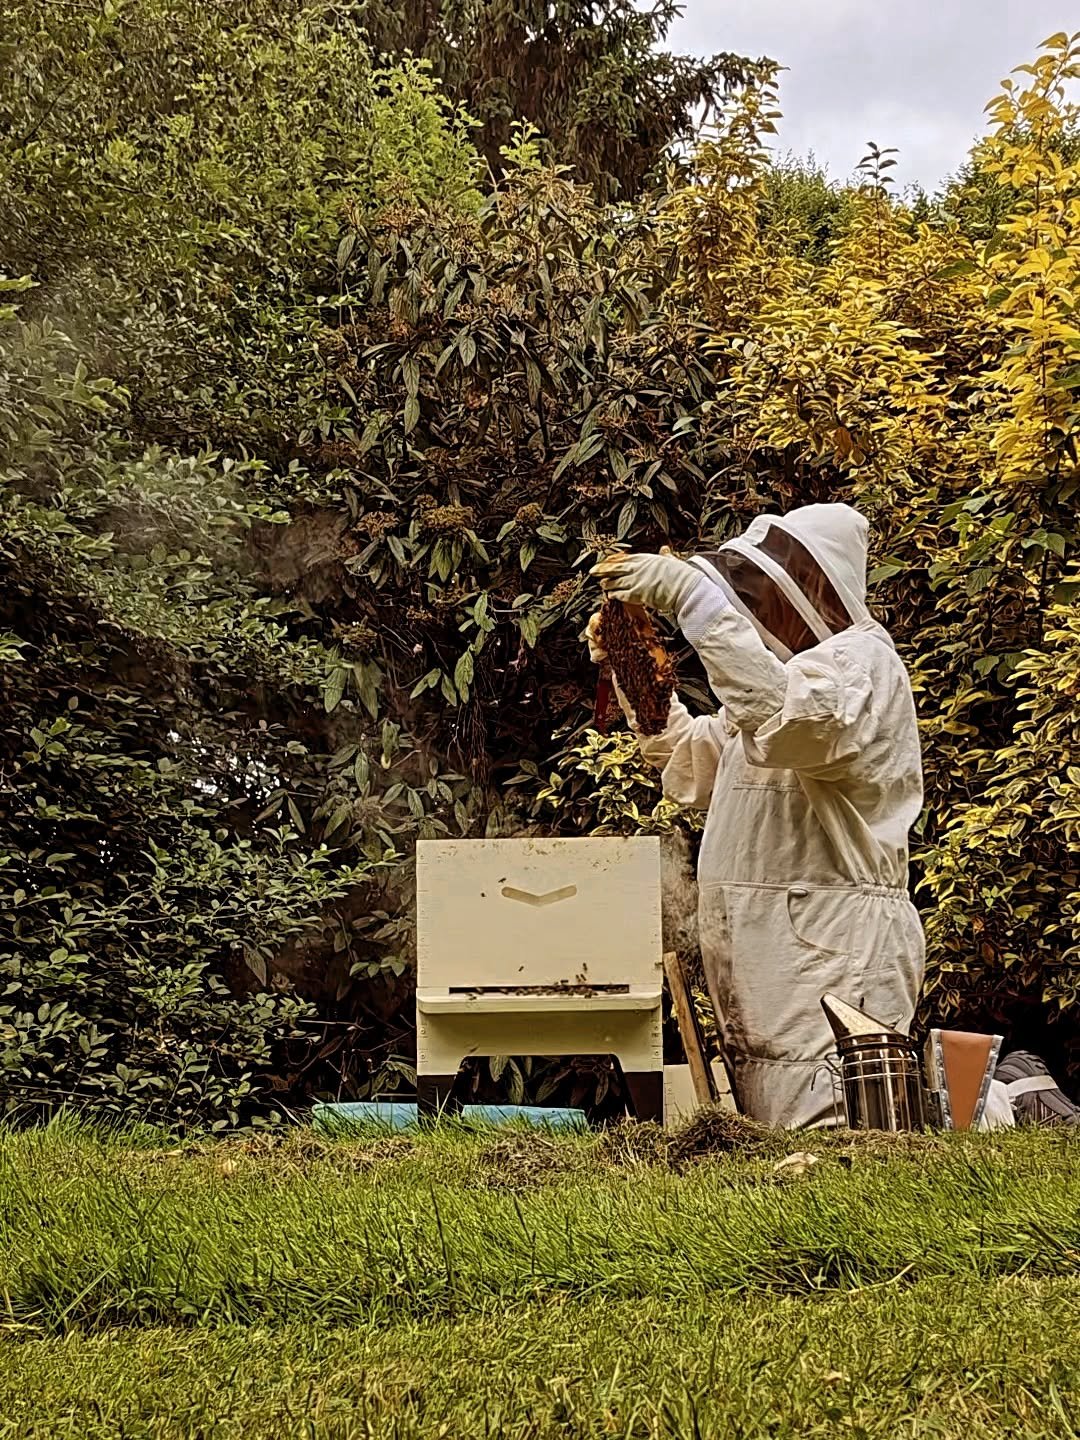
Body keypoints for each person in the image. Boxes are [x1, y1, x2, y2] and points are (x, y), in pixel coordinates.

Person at [588, 502, 925, 1128]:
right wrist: (640, 683)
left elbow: (784, 720)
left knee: (838, 1148)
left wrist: (692, 598)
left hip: (833, 949)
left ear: (815, 585)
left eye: (766, 589)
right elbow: (697, 766)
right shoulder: (798, 680)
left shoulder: (861, 667)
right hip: (776, 956)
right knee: (779, 1160)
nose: (758, 607)